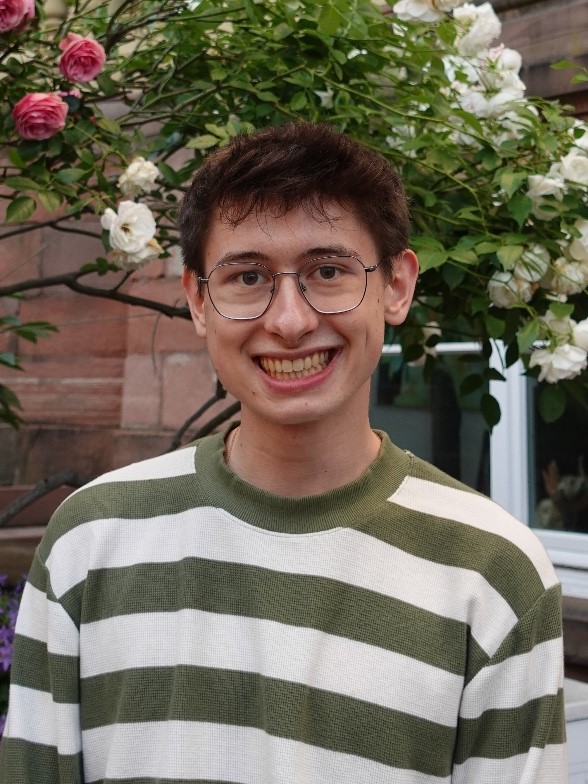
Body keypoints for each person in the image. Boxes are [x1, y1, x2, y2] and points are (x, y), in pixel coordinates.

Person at [0, 123, 566, 783]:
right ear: (198, 300)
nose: (290, 321)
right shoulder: (90, 540)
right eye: (247, 276)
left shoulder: (493, 572)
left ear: (397, 285)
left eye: (328, 271)